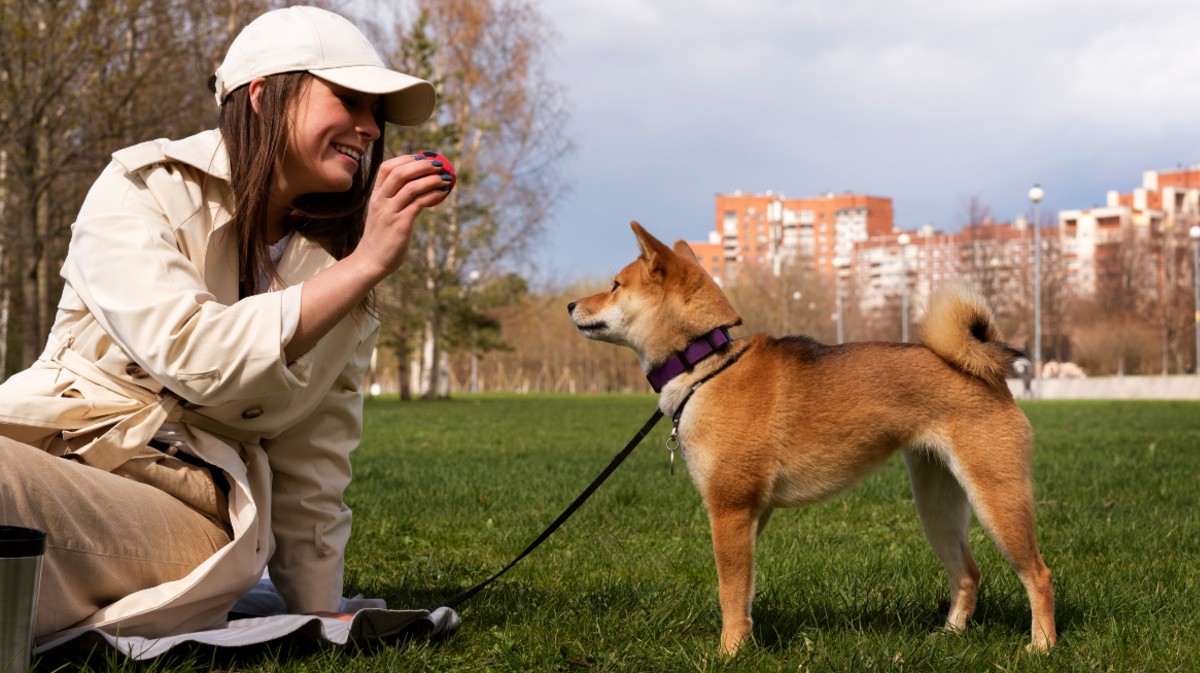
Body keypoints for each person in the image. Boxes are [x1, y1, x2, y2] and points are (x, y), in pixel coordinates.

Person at [0, 6, 452, 640]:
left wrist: (319, 607)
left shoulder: (344, 274)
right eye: (350, 100)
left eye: (377, 113)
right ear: (264, 96)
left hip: (186, 502)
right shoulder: (142, 188)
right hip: (44, 448)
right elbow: (190, 346)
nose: (370, 128)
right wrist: (362, 266)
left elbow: (313, 460)